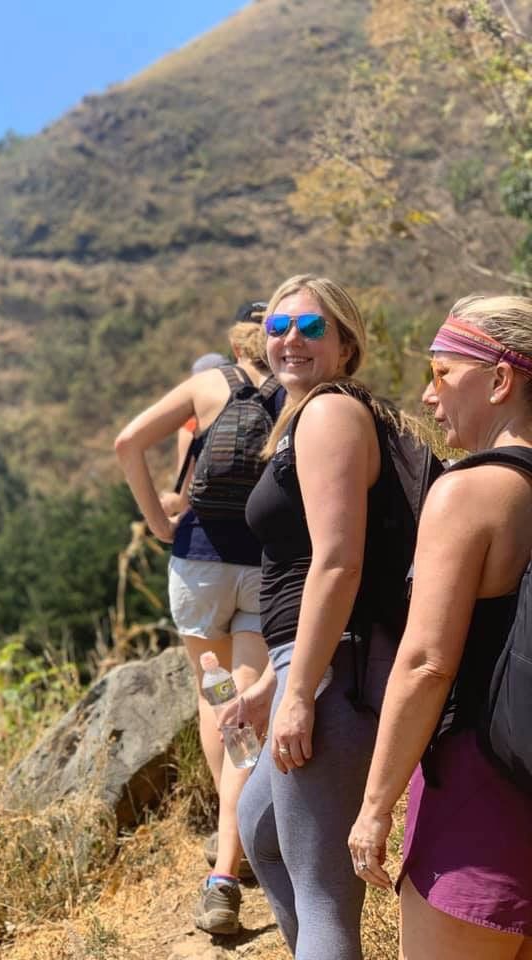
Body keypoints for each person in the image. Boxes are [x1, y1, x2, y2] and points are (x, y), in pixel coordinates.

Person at [229, 274, 408, 960]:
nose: (290, 341)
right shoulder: (302, 418)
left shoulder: (331, 414)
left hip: (341, 671)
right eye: (277, 328)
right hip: (311, 661)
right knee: (262, 831)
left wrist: (301, 690)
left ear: (345, 344)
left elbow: (338, 563)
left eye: (310, 328)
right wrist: (274, 684)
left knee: (325, 893)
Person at [349, 295, 532, 960]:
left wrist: (376, 805)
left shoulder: (468, 493)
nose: (429, 397)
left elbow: (427, 661)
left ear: (501, 379)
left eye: (443, 373)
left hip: (476, 799)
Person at [114, 302, 275, 935]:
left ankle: (226, 855)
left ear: (235, 345)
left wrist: (158, 522)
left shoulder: (209, 384)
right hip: (267, 568)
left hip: (200, 565)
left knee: (216, 702)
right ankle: (237, 849)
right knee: (248, 703)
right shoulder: (301, 388)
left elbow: (127, 442)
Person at [160, 351, 228, 519]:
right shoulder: (258, 409)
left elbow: (184, 499)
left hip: (210, 522)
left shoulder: (191, 428)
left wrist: (167, 503)